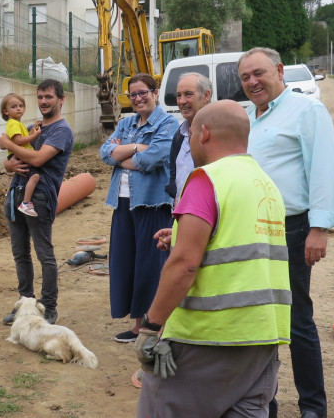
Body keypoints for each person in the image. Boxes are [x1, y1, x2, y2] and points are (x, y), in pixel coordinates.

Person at [136, 100, 291, 417]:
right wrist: (179, 236)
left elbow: (184, 265)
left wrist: (151, 326)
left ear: (203, 133)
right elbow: (239, 239)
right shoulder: (266, 184)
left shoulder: (206, 179)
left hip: (209, 336)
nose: (189, 142)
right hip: (263, 336)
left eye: (190, 133)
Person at [239, 47, 334, 418]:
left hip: (292, 228)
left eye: (259, 73)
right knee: (259, 319)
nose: (252, 82)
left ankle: (312, 407)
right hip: (251, 230)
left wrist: (319, 227)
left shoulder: (306, 111)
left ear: (279, 70)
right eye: (245, 77)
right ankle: (264, 402)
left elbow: (323, 169)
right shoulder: (246, 117)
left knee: (297, 319)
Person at [98, 73, 179, 342]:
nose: (138, 98)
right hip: (123, 204)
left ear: (155, 93)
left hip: (152, 204)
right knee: (126, 263)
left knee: (149, 265)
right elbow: (104, 154)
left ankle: (152, 326)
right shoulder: (126, 122)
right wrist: (136, 147)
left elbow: (155, 157)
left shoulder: (168, 123)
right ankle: (136, 324)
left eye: (143, 92)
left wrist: (123, 154)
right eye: (133, 94)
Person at [0, 79, 74, 326]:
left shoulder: (62, 131)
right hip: (16, 194)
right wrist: (7, 163)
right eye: (40, 97)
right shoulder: (31, 128)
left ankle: (49, 307)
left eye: (49, 97)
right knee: (20, 254)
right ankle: (26, 304)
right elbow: (12, 159)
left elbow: (38, 159)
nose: (43, 101)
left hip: (40, 199)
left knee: (44, 254)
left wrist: (8, 144)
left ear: (61, 100)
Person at [165, 72, 213, 201]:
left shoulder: (218, 132)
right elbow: (174, 171)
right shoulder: (180, 134)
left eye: (188, 94)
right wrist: (175, 195)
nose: (181, 101)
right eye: (178, 95)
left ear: (206, 95)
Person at [0, 92, 42, 217]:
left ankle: (17, 194)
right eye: (14, 106)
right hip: (17, 154)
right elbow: (18, 141)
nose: (18, 108)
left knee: (28, 177)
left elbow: (24, 138)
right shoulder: (13, 124)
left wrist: (33, 129)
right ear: (6, 111)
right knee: (34, 176)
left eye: (21, 105)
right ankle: (26, 203)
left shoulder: (18, 124)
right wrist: (35, 135)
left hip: (18, 153)